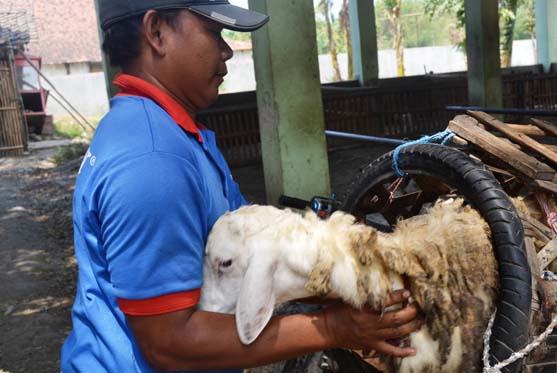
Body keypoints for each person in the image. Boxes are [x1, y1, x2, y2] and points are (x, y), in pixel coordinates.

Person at [61, 1, 421, 372]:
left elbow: (252, 256)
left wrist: (354, 278)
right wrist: (333, 329)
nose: (227, 50)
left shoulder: (171, 134)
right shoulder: (152, 161)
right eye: (214, 32)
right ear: (157, 32)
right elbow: (169, 345)